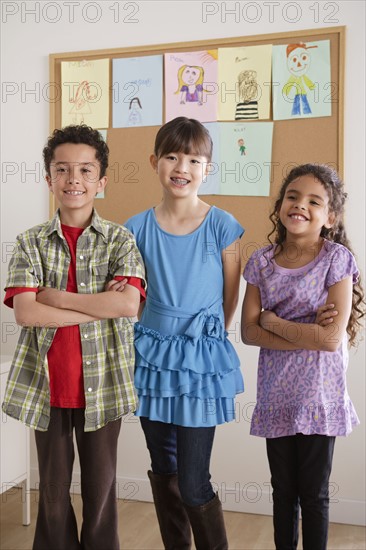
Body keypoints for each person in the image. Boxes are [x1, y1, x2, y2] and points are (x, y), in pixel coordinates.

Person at [2, 124, 146, 550]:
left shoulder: (120, 239)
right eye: (62, 170)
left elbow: (127, 306)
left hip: (105, 387)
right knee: (51, 490)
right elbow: (27, 314)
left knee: (101, 492)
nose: (73, 180)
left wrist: (57, 299)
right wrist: (94, 304)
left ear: (100, 181)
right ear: (49, 179)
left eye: (85, 170)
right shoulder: (29, 243)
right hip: (46, 388)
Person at [112, 116, 244, 549]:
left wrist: (206, 340)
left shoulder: (222, 224)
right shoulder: (135, 228)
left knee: (192, 480)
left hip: (200, 360)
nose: (181, 166)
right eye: (171, 155)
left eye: (193, 158)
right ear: (155, 162)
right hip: (151, 355)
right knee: (163, 467)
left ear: (207, 168)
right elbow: (133, 292)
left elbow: (229, 298)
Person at [241, 164, 365, 550]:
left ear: (330, 217)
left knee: (314, 494)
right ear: (280, 205)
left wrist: (273, 320)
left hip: (318, 395)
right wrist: (306, 332)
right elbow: (248, 332)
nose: (300, 205)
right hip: (277, 394)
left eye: (314, 200)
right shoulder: (261, 262)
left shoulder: (336, 260)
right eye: (293, 196)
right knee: (283, 492)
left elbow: (330, 340)